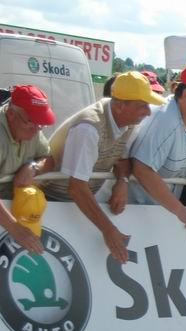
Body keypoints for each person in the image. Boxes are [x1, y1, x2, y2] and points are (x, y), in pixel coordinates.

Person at [46, 71, 165, 263]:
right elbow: (76, 189)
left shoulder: (128, 121)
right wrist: (108, 230)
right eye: (142, 105)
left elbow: (122, 160)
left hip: (75, 202)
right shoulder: (88, 128)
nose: (148, 112)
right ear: (119, 106)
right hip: (51, 201)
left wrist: (122, 181)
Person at [129, 66, 186, 240]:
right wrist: (181, 211)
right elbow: (142, 169)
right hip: (132, 210)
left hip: (163, 213)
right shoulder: (164, 118)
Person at [0, 84, 55, 253]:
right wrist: (16, 229)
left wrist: (33, 167)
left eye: (40, 124)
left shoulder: (33, 128)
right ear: (10, 113)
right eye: (30, 122)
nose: (36, 130)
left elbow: (49, 159)